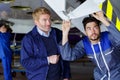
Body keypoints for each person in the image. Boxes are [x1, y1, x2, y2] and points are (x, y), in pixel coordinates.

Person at [61, 11, 120, 80]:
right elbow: (67, 56)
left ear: (99, 29)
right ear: (85, 32)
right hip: (101, 77)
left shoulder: (108, 37)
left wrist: (103, 19)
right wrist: (65, 33)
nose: (93, 31)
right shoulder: (84, 44)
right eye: (89, 29)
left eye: (95, 27)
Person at [20, 7, 71, 80]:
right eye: (44, 20)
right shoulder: (29, 39)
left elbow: (65, 56)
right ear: (36, 22)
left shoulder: (58, 33)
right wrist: (47, 60)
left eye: (49, 19)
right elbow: (26, 62)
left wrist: (66, 75)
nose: (49, 23)